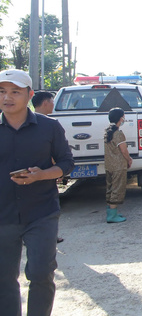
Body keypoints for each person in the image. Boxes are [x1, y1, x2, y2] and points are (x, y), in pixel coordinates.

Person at [0, 69, 74, 316]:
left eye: (14, 92)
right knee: (4, 279)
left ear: (29, 94)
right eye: (1, 91)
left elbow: (66, 163)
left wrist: (41, 175)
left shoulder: (49, 127)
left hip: (41, 212)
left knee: (42, 273)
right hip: (3, 214)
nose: (7, 97)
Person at [30, 91, 64, 243]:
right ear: (45, 103)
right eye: (52, 101)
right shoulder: (47, 125)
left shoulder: (48, 124)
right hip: (40, 177)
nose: (53, 104)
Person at [104, 108, 132, 223]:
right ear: (121, 118)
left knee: (110, 188)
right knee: (117, 189)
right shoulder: (118, 134)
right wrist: (129, 160)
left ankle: (110, 211)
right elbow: (124, 151)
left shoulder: (107, 132)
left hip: (109, 165)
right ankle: (112, 215)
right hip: (118, 166)